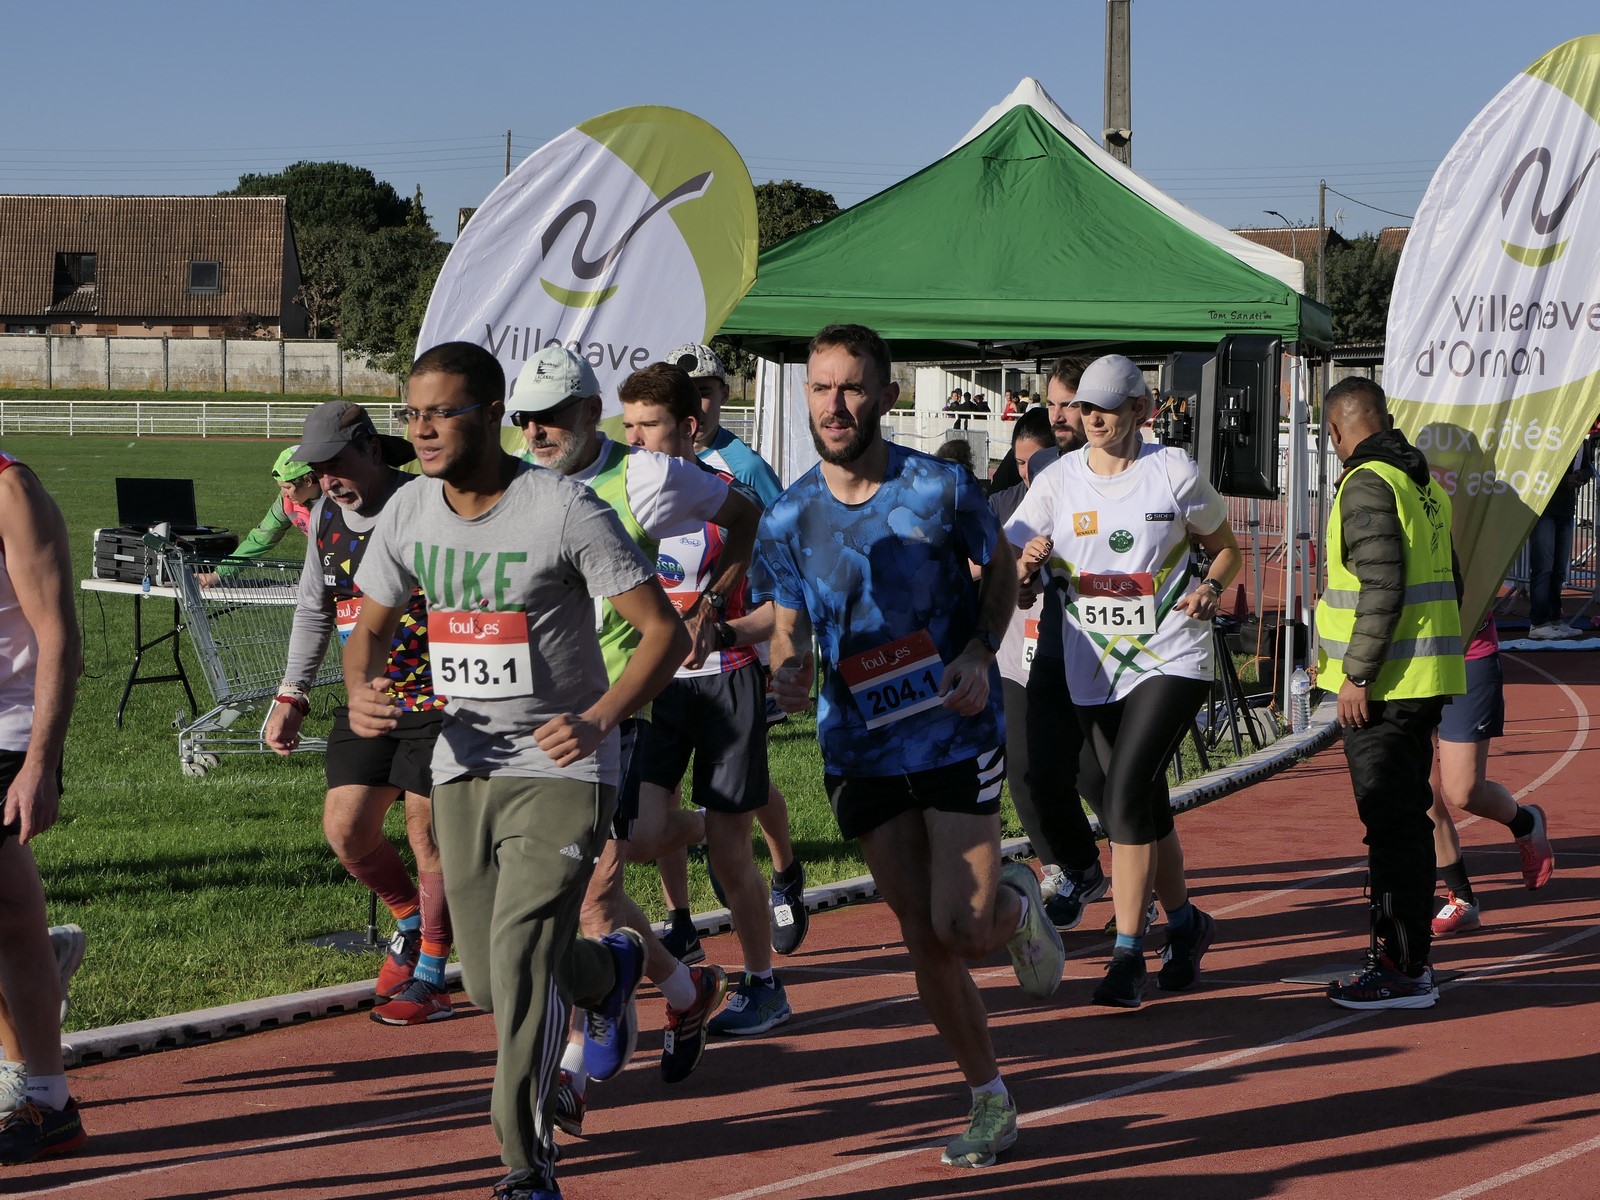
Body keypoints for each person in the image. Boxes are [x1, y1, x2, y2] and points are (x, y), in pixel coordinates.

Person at [346, 340, 689, 1200]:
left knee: (525, 963)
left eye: (442, 412)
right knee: (492, 984)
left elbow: (664, 633)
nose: (423, 430)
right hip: (463, 763)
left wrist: (599, 718)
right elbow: (369, 630)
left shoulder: (563, 509)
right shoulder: (409, 511)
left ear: (492, 414)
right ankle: (609, 974)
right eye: (412, 414)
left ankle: (526, 1164)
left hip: (564, 767)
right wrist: (359, 689)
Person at [756, 323, 1065, 1171]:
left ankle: (1014, 904)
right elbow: (789, 626)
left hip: (954, 728)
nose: (834, 405)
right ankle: (989, 1098)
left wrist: (979, 651)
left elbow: (1000, 571)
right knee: (923, 937)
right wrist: (788, 671)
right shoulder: (787, 516)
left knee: (963, 928)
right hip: (858, 747)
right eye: (821, 387)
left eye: (852, 387)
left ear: (886, 397)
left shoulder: (939, 487)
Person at [509, 345, 757, 1120]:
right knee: (588, 897)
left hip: (611, 713)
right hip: (526, 717)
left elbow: (746, 516)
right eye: (525, 418)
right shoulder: (514, 480)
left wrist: (711, 600)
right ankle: (686, 989)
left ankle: (573, 1068)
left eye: (551, 417)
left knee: (590, 897)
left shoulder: (646, 476)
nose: (536, 432)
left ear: (590, 414)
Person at [1006, 354, 1239, 1008]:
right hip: (1095, 666)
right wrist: (1024, 568)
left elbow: (1227, 547)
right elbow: (1009, 563)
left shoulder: (1173, 471)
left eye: (1107, 407)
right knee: (1137, 804)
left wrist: (1211, 587)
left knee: (1128, 788)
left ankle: (1128, 954)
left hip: (1172, 653)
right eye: (1085, 406)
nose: (1093, 418)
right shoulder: (1057, 480)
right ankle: (1186, 925)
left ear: (1142, 409)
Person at [264, 401, 455, 1026]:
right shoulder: (324, 515)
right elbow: (314, 607)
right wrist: (292, 694)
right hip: (368, 695)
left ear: (372, 448)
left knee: (428, 833)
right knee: (346, 830)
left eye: (336, 464)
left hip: (442, 697)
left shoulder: (426, 500)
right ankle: (409, 921)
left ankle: (432, 973)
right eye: (317, 471)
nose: (327, 481)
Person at [619, 363, 787, 1041]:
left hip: (727, 682)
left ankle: (763, 982)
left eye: (649, 426)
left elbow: (782, 608)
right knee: (637, 837)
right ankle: (709, 828)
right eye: (627, 426)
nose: (635, 439)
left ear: (687, 428)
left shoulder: (731, 499)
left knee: (730, 854)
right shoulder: (620, 494)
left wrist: (720, 624)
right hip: (655, 686)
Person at [1316, 376, 1465, 1010]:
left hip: (1386, 687)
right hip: (1421, 678)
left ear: (1336, 431)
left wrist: (1357, 674)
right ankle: (1407, 962)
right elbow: (1451, 578)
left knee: (1391, 826)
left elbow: (1381, 586)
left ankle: (1403, 968)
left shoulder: (1366, 483)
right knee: (1404, 821)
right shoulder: (1420, 483)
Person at [666, 341, 810, 958]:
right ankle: (679, 917)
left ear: (725, 394)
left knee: (749, 784)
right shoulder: (648, 461)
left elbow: (782, 545)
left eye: (706, 391)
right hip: (665, 655)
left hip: (736, 645)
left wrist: (781, 644)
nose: (697, 404)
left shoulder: (743, 465)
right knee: (662, 791)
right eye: (685, 393)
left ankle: (782, 870)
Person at [0, 449, 86, 1166]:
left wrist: (40, 764)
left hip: (6, 731)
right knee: (10, 916)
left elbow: (59, 634)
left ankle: (48, 1099)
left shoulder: (10, 492)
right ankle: (41, 1090)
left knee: (9, 918)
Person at [1016, 357, 1109, 933]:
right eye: (1051, 404)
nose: (1057, 416)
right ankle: (1081, 867)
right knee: (1039, 773)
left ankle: (1152, 894)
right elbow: (1015, 551)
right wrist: (1024, 574)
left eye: (1069, 404)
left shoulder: (1150, 468)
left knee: (1113, 782)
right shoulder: (1047, 467)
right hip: (1058, 640)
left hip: (1124, 652)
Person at [1428, 614, 1554, 935]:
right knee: (1421, 791)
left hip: (1468, 656)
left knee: (1464, 792)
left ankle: (1524, 822)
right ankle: (1462, 899)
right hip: (1410, 666)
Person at [984, 408, 1064, 894]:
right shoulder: (1001, 507)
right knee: (1023, 769)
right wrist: (1012, 578)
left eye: (1037, 463)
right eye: (1018, 464)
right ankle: (1058, 867)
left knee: (1091, 775)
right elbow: (975, 567)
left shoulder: (1080, 495)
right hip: (1016, 657)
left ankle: (1133, 870)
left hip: (1078, 655)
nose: (1028, 474)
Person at [196, 444, 320, 586]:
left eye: (287, 487)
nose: (284, 494)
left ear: (308, 481)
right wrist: (219, 574)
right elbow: (262, 538)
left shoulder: (338, 500)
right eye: (281, 487)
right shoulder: (286, 502)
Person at [1526, 437, 1593, 638]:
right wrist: (1565, 480)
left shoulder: (1582, 440)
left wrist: (1582, 475)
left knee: (1558, 570)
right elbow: (1538, 467)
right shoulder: (1553, 435)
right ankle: (1539, 623)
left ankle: (1555, 619)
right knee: (1543, 567)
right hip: (1544, 509)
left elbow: (1588, 467)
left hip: (1566, 510)